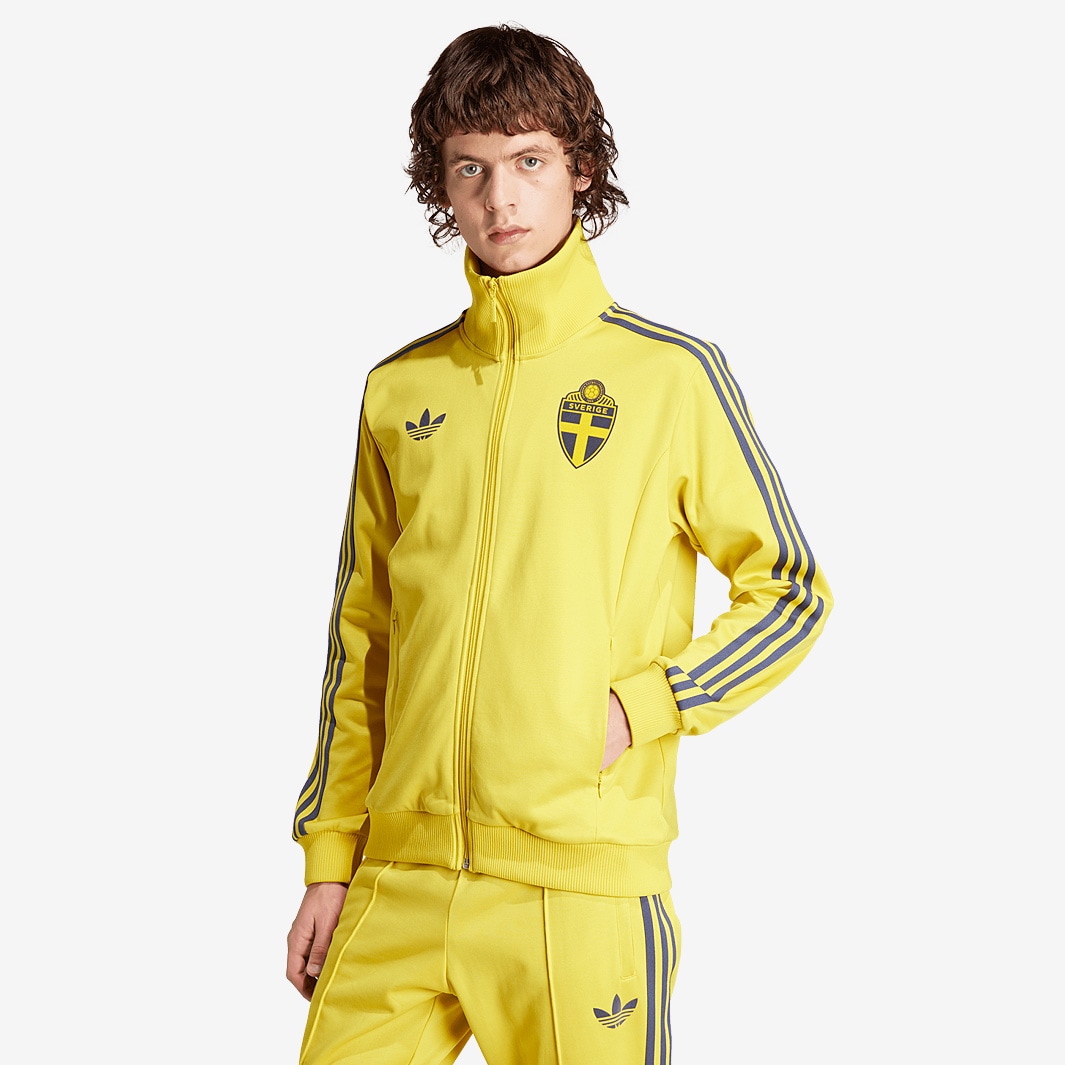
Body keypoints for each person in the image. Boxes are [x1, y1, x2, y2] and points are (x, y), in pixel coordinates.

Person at [287, 23, 832, 1065]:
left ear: (580, 167)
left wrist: (645, 706)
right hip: (399, 876)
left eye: (529, 161)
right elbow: (364, 643)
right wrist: (329, 857)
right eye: (471, 169)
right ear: (442, 185)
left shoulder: (670, 377)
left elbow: (791, 591)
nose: (501, 198)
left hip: (579, 882)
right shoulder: (400, 391)